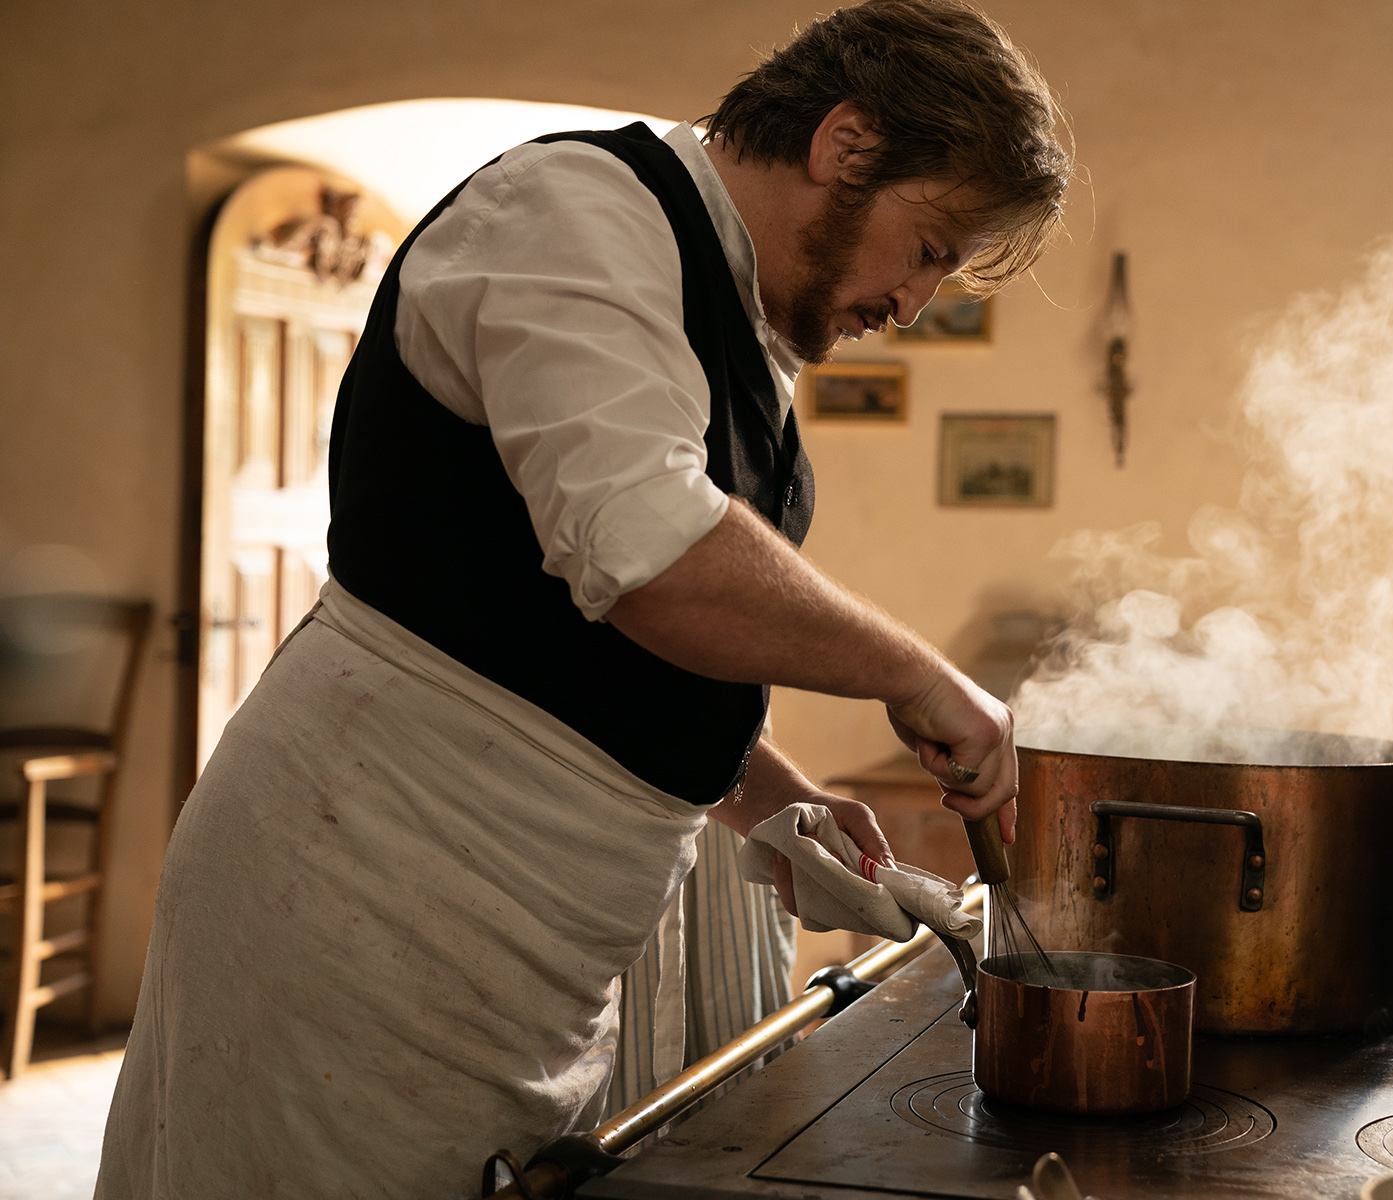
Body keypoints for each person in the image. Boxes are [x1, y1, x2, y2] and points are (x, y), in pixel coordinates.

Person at [95, 1, 1070, 1195]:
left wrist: (771, 800)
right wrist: (917, 674)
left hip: (518, 952)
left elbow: (583, 646)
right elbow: (650, 556)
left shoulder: (737, 327)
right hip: (358, 894)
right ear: (846, 143)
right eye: (927, 250)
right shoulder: (575, 213)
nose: (915, 304)